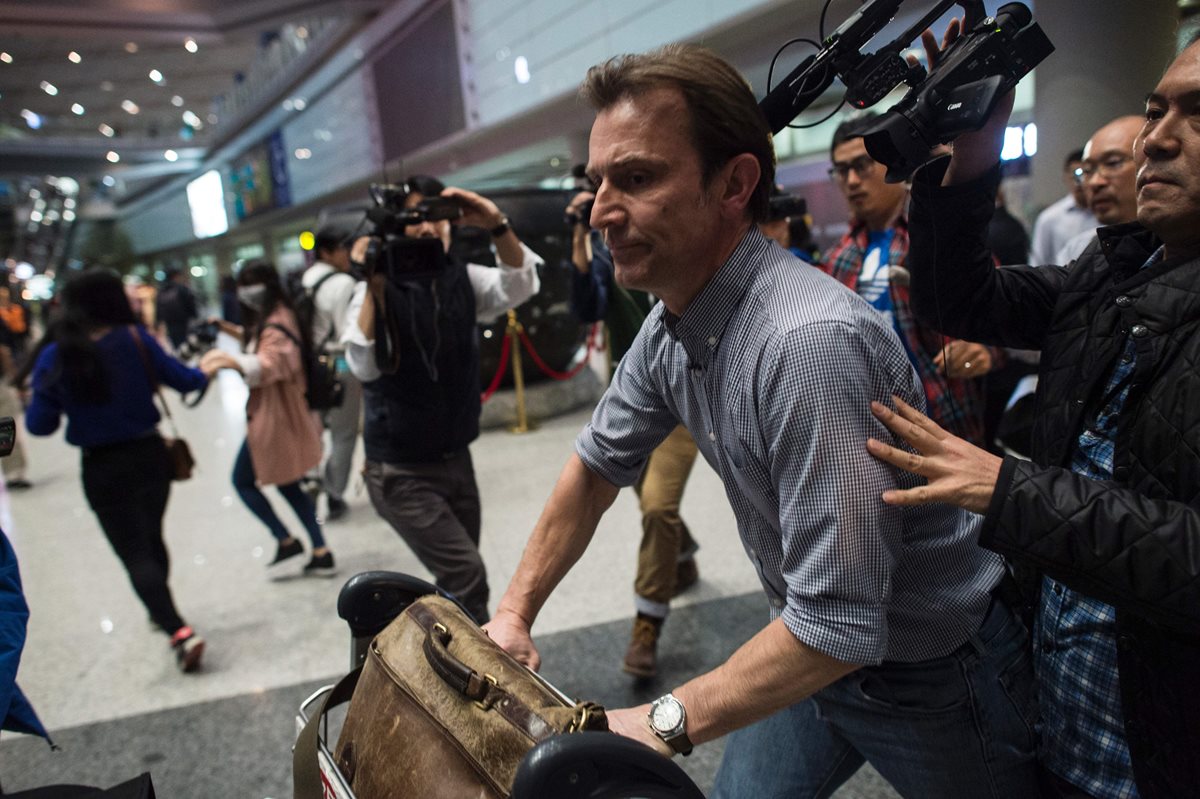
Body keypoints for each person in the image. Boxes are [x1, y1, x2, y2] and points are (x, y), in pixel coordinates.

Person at [486, 44, 1038, 799]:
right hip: (805, 654)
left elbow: (841, 623)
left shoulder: (806, 343)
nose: (603, 209)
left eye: (638, 178)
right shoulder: (669, 322)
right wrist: (514, 612)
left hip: (935, 677)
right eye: (599, 183)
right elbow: (594, 465)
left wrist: (656, 718)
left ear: (735, 183)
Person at [866, 30, 1200, 799]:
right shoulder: (1114, 270)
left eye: (1195, 114)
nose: (1157, 138)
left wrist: (1010, 489)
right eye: (1154, 112)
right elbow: (960, 301)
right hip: (1066, 708)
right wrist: (972, 159)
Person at [341, 175, 541, 624]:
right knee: (467, 574)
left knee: (457, 584)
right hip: (400, 469)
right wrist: (374, 282)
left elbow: (520, 285)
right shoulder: (376, 288)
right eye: (415, 218)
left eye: (436, 215)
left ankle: (444, 672)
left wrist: (494, 222)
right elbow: (363, 365)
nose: (428, 227)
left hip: (456, 458)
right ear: (398, 228)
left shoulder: (461, 278)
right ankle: (482, 676)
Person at [25, 269, 209, 672]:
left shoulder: (57, 354)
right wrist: (210, 365)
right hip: (150, 457)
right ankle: (160, 608)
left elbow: (40, 425)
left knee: (133, 552)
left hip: (102, 467)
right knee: (151, 536)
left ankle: (177, 629)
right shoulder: (136, 340)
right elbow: (186, 379)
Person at [565, 190, 700, 679]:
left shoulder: (679, 246)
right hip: (634, 401)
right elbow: (585, 307)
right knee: (652, 502)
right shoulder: (607, 261)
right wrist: (579, 238)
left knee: (657, 506)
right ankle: (681, 555)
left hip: (686, 395)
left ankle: (647, 623)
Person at [820, 114, 1001, 448]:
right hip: (873, 429)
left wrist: (985, 350)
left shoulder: (935, 230)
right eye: (841, 170)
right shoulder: (837, 258)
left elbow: (998, 304)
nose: (852, 181)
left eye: (861, 165)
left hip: (946, 421)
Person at [200, 261, 335, 577]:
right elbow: (258, 343)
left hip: (275, 417)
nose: (246, 290)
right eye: (242, 282)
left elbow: (266, 363)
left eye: (252, 282)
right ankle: (316, 548)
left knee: (243, 480)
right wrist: (224, 328)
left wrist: (226, 360)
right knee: (289, 485)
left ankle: (288, 539)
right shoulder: (277, 316)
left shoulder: (276, 322)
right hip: (277, 414)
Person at [301, 225, 361, 521]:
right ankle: (335, 494)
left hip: (311, 364)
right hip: (339, 362)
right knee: (344, 432)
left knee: (315, 428)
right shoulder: (344, 283)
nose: (347, 254)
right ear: (326, 252)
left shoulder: (305, 279)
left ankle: (312, 476)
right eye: (342, 248)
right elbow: (347, 331)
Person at [1056, 115, 1143, 263]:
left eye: (1113, 163)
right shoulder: (1077, 251)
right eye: (1088, 170)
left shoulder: (1178, 249)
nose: (1095, 183)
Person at [1028, 147, 1097, 264]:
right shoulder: (1049, 218)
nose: (1080, 182)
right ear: (1066, 176)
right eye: (1075, 175)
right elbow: (1037, 263)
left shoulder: (1106, 214)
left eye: (1085, 174)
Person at [154, 267, 199, 351]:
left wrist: (157, 323)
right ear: (176, 276)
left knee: (176, 345)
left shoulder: (162, 290)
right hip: (182, 322)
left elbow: (158, 309)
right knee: (186, 344)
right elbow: (190, 304)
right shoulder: (181, 288)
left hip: (169, 323)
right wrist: (194, 316)